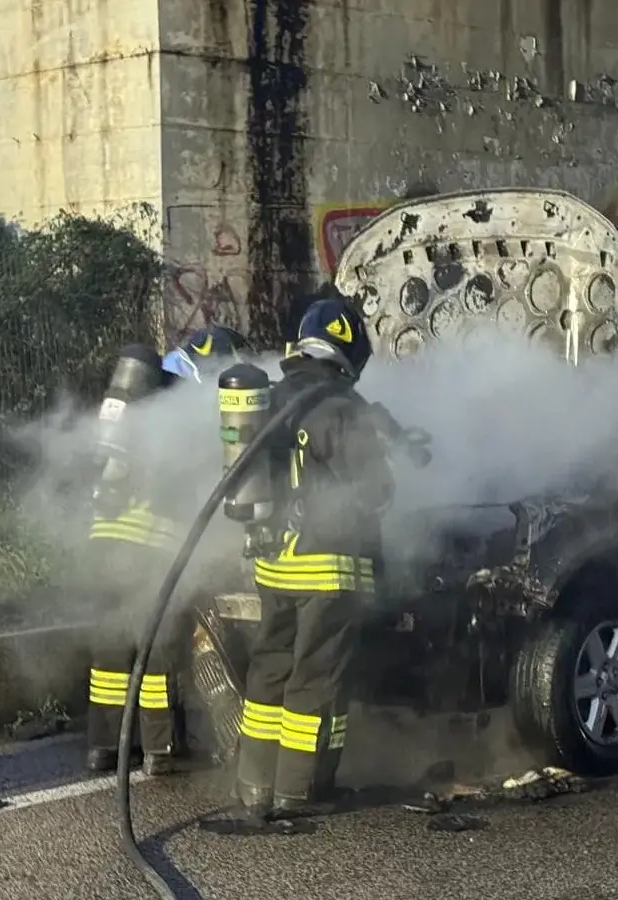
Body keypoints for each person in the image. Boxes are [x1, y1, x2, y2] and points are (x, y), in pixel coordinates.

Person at [233, 295, 394, 819]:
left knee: (269, 672)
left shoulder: (272, 398)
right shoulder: (343, 408)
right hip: (329, 566)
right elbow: (375, 491)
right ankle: (300, 790)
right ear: (348, 350)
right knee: (315, 680)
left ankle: (254, 785)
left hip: (273, 562)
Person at [85, 324, 249, 777]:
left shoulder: (140, 402)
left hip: (103, 540)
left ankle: (104, 747)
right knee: (154, 649)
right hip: (147, 547)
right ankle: (159, 750)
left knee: (110, 651)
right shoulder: (188, 412)